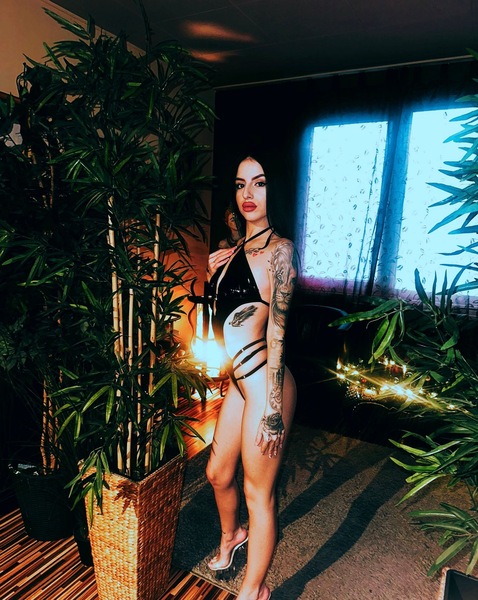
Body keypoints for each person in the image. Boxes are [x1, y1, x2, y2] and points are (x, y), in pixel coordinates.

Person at [205, 154, 297, 600]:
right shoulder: (233, 250)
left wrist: (273, 410)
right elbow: (223, 317)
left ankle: (253, 591)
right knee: (217, 474)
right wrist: (214, 272)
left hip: (265, 382)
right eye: (241, 184)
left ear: (272, 190)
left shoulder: (281, 250)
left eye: (259, 183)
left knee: (258, 493)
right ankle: (232, 535)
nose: (248, 193)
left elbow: (277, 333)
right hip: (241, 384)